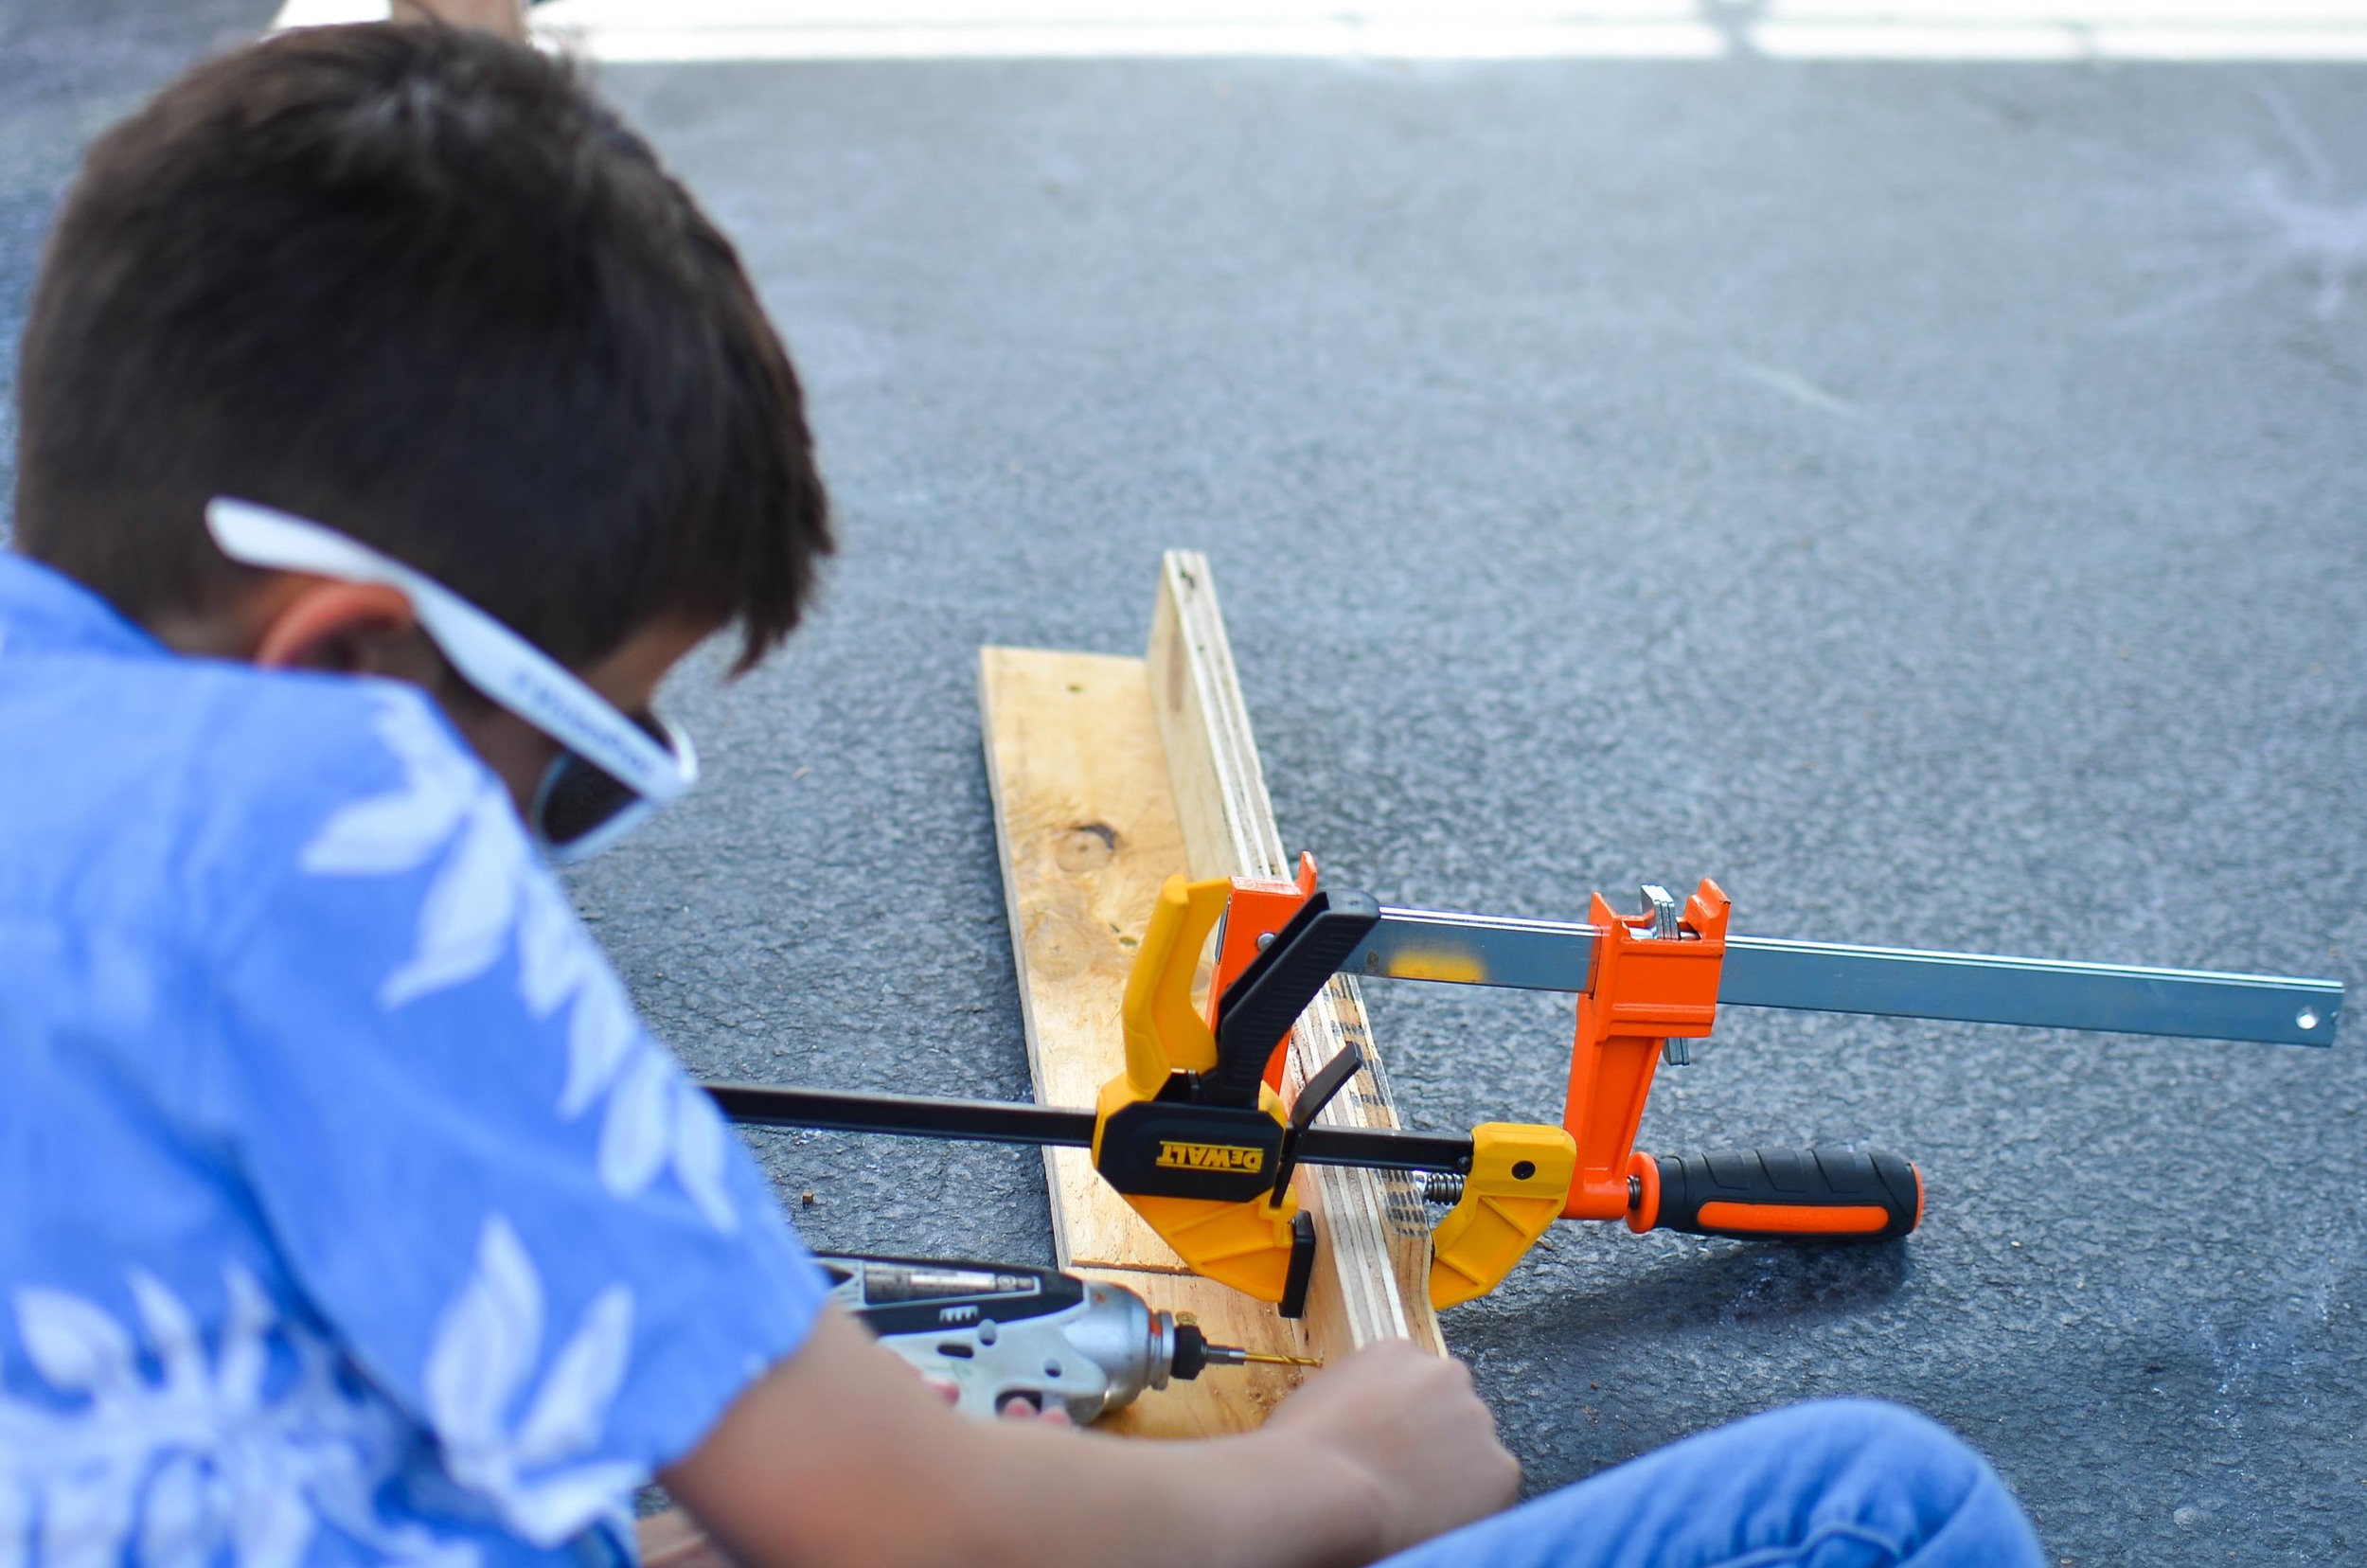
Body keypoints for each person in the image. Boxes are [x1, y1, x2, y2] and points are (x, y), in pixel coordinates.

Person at [0, 23, 2046, 1568]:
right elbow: (926, 1537)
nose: (531, 843)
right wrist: (1324, 1472)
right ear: (347, 659)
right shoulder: (321, 828)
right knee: (1875, 1503)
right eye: (570, 771)